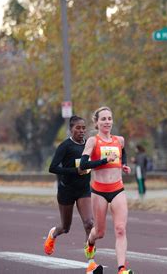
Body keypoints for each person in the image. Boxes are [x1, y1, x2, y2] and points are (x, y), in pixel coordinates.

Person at [43, 116, 102, 273]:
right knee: (65, 227)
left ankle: (91, 263)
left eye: (84, 128)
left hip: (83, 190)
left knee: (89, 223)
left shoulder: (90, 144)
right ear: (71, 129)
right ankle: (53, 233)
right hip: (66, 190)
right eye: (78, 128)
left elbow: (96, 161)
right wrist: (74, 171)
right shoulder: (65, 146)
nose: (81, 131)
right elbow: (53, 168)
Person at [80, 106, 133, 274]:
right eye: (103, 119)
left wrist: (123, 164)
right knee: (100, 232)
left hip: (118, 188)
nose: (107, 122)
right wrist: (104, 160)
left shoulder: (120, 140)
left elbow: (122, 152)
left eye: (109, 118)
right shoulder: (93, 141)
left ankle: (121, 269)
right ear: (96, 122)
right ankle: (90, 243)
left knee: (120, 229)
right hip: (99, 191)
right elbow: (83, 165)